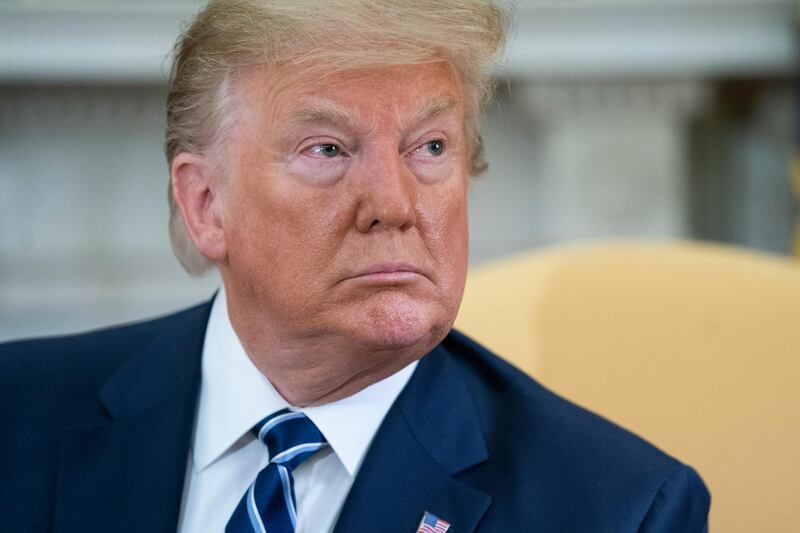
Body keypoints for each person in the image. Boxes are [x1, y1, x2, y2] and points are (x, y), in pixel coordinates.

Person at [0, 1, 710, 532]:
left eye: (430, 147)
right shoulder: (17, 415)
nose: (395, 204)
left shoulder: (617, 508)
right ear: (207, 204)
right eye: (328, 150)